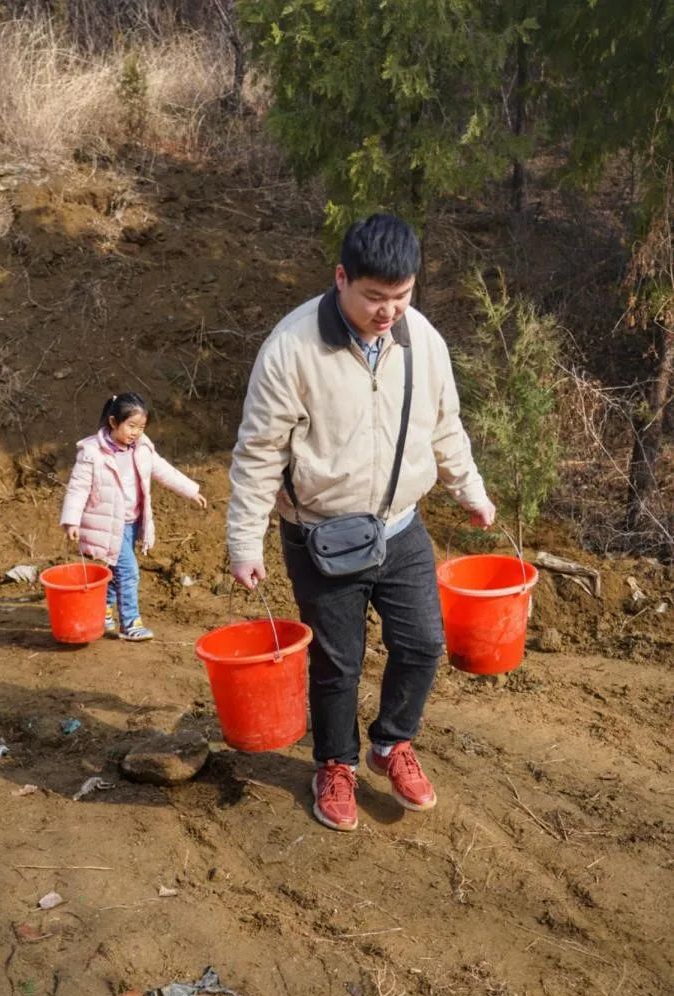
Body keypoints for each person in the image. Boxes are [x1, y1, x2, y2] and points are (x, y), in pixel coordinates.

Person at [227, 214, 495, 832]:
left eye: (400, 297)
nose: (388, 312)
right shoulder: (292, 349)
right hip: (320, 536)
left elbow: (445, 424)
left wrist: (470, 492)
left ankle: (390, 744)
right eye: (375, 297)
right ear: (341, 278)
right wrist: (245, 540)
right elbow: (258, 453)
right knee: (336, 662)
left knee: (424, 643)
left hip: (400, 527)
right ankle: (335, 764)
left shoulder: (421, 339)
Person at [60, 391, 206, 641]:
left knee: (117, 572)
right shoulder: (92, 452)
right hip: (106, 525)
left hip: (131, 523)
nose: (136, 432)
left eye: (141, 427)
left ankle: (103, 612)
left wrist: (192, 490)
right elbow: (78, 487)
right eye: (131, 426)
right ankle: (129, 623)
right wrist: (71, 520)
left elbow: (164, 471)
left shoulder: (142, 448)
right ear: (113, 422)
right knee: (128, 572)